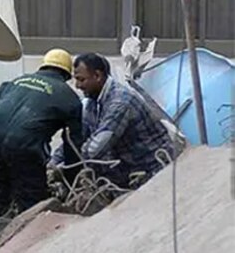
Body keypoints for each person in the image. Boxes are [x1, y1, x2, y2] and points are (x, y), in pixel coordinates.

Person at [0, 49, 85, 216]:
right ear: (66, 74)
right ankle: (30, 234)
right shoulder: (69, 98)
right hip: (23, 145)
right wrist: (72, 179)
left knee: (3, 181)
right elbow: (73, 144)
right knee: (33, 199)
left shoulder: (14, 82)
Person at [58, 52, 174, 189]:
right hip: (128, 167)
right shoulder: (91, 103)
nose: (77, 86)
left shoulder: (120, 102)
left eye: (81, 80)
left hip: (151, 169)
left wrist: (66, 165)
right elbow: (79, 136)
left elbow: (96, 148)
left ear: (97, 76)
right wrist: (55, 161)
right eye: (75, 80)